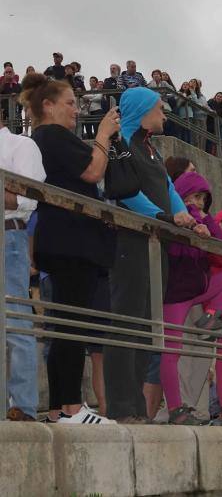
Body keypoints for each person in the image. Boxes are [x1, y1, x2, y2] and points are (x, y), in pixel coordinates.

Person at [21, 72, 119, 424]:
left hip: (64, 240)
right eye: (69, 103)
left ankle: (59, 409)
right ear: (47, 106)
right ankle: (72, 407)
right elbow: (93, 171)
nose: (76, 111)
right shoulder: (53, 136)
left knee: (65, 323)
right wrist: (104, 135)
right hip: (71, 241)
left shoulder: (45, 138)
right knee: (72, 324)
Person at [104, 87, 200, 423]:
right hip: (130, 242)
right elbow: (129, 196)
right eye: (159, 108)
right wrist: (166, 218)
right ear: (143, 111)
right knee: (127, 321)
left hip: (155, 242)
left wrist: (190, 219)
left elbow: (169, 190)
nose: (164, 113)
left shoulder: (150, 148)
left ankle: (136, 408)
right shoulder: (122, 145)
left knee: (146, 325)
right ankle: (120, 406)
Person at [160, 171, 222, 425]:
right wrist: (189, 220)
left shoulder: (204, 219)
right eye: (195, 197)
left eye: (204, 199)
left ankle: (210, 317)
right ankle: (175, 409)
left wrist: (204, 219)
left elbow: (220, 246)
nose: (199, 204)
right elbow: (175, 249)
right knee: (172, 352)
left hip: (201, 289)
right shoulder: (172, 216)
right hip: (177, 294)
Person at [0, 113, 46, 422]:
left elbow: (29, 199)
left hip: (7, 237)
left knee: (16, 320)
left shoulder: (21, 145)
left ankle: (24, 406)